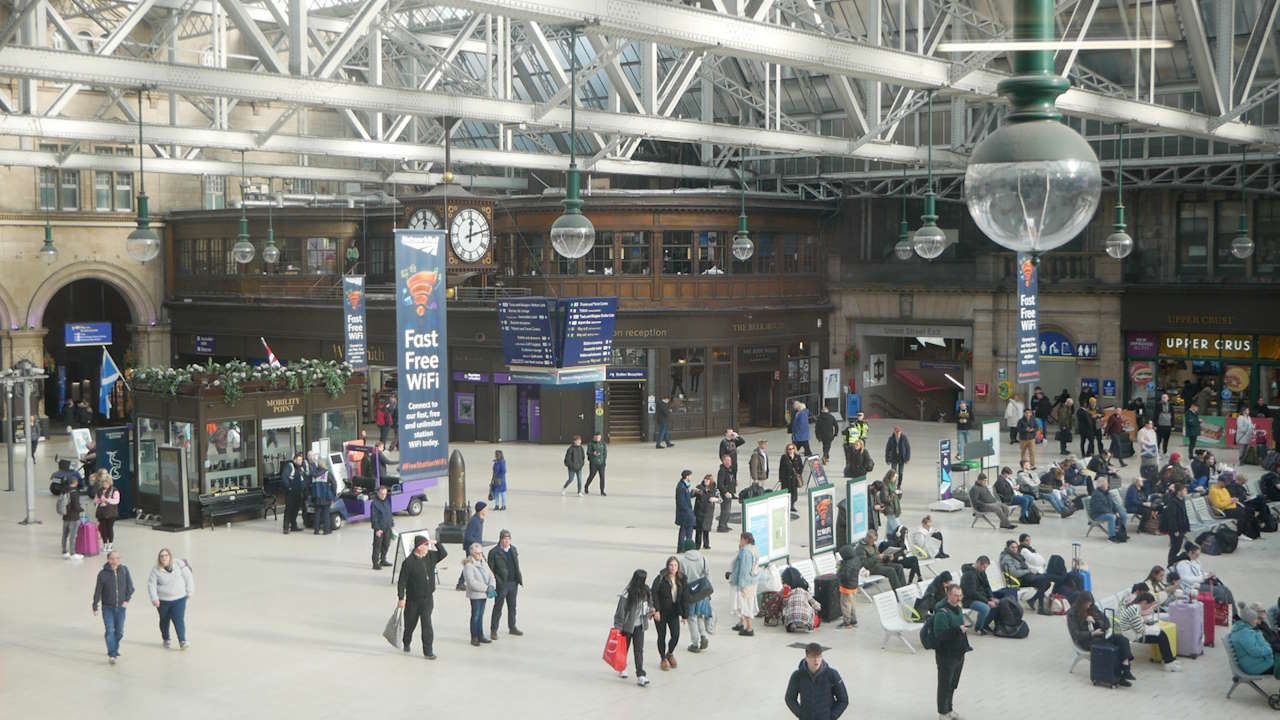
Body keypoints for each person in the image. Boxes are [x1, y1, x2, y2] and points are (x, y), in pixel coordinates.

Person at [1066, 592, 1135, 686]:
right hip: (1086, 640)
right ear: (1081, 603)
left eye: (1090, 604)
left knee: (1123, 640)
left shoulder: (1092, 608)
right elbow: (1076, 635)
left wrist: (1096, 621)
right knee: (1112, 649)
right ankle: (1118, 677)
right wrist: (1091, 631)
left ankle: (1126, 669)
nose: (1088, 606)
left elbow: (1106, 622)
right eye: (1087, 604)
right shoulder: (1072, 613)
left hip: (1101, 635)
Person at [397, 535, 446, 659]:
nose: (427, 547)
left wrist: (437, 543)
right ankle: (406, 641)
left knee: (427, 624)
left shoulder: (430, 556)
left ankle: (428, 651)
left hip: (427, 599)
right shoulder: (408, 562)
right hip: (413, 600)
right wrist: (401, 598)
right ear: (419, 547)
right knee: (410, 624)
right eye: (425, 545)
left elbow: (443, 554)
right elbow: (401, 582)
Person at [933, 584, 972, 720]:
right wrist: (957, 630)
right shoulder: (942, 613)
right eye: (955, 595)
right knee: (945, 683)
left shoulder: (958, 610)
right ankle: (942, 712)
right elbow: (941, 636)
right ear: (948, 595)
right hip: (946, 655)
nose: (958, 598)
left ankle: (949, 709)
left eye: (960, 595)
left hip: (958, 653)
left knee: (953, 683)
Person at [1114, 591, 1180, 671]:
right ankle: (1169, 662)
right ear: (1144, 602)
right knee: (1161, 635)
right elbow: (1140, 629)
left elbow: (1137, 624)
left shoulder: (1134, 607)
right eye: (1149, 605)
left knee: (1161, 633)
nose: (1149, 607)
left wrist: (1146, 625)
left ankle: (1169, 660)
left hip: (1132, 631)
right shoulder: (1134, 610)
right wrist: (1149, 627)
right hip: (1132, 635)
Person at [785, 642, 849, 720]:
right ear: (806, 658)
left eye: (819, 656)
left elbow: (843, 700)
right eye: (812, 656)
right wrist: (801, 715)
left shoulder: (832, 674)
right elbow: (789, 698)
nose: (816, 660)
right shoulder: (797, 675)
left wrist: (831, 716)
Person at [92, 550, 134, 665]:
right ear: (108, 560)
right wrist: (95, 605)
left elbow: (130, 587)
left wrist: (126, 601)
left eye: (118, 558)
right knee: (110, 630)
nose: (116, 561)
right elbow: (98, 591)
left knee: (119, 632)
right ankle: (112, 654)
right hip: (107, 608)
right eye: (113, 558)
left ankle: (114, 647)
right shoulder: (102, 574)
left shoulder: (124, 570)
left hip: (121, 608)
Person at [147, 548, 194, 650]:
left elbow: (188, 577)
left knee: (179, 619)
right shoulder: (155, 570)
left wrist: (190, 591)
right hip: (163, 601)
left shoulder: (179, 564)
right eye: (162, 556)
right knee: (164, 620)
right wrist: (154, 598)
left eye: (166, 555)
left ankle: (182, 641)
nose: (164, 557)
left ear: (170, 556)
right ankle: (166, 638)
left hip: (179, 599)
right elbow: (151, 584)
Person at [613, 569, 655, 686]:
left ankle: (641, 674)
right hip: (627, 626)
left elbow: (650, 603)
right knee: (624, 648)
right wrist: (618, 627)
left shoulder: (646, 591)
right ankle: (622, 667)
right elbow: (620, 612)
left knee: (639, 650)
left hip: (640, 626)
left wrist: (652, 610)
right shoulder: (627, 594)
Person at [650, 556, 687, 670]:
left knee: (675, 635)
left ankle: (669, 653)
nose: (673, 568)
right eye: (671, 565)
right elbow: (654, 593)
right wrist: (656, 610)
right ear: (667, 566)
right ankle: (663, 659)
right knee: (662, 636)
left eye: (675, 565)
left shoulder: (681, 578)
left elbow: (685, 597)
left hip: (674, 612)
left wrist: (685, 615)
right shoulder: (661, 578)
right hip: (661, 612)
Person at [1174, 542, 1235, 609]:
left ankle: (1234, 614)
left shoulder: (1195, 561)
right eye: (1196, 555)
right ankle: (1226, 612)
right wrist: (1203, 578)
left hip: (1201, 584)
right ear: (1190, 552)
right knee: (1220, 591)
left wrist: (1208, 574)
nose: (1197, 557)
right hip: (1192, 588)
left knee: (1226, 589)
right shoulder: (1182, 564)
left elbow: (1200, 573)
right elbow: (1186, 579)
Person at [999, 539, 1052, 614]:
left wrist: (1031, 570)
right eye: (1012, 547)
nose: (1015, 549)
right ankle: (1041, 608)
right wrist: (1028, 571)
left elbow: (1024, 566)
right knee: (1043, 581)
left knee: (1047, 582)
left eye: (1016, 547)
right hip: (1018, 580)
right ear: (1007, 548)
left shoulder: (1015, 555)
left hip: (1025, 576)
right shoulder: (1007, 558)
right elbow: (1014, 573)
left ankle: (1032, 600)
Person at [487, 529, 523, 640]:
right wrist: (495, 582)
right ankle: (494, 630)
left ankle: (512, 626)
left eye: (508, 539)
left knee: (512, 607)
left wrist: (518, 579)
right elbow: (490, 570)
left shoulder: (513, 549)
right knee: (498, 607)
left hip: (513, 583)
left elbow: (516, 565)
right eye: (504, 539)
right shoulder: (494, 552)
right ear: (500, 539)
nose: (507, 541)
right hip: (502, 584)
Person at [960, 556, 1008, 633]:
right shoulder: (968, 575)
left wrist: (991, 597)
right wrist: (987, 601)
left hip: (981, 596)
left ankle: (988, 623)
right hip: (969, 600)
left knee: (1000, 601)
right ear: (978, 563)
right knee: (985, 608)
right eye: (984, 567)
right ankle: (979, 627)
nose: (984, 569)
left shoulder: (981, 571)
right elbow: (972, 593)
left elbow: (987, 586)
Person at [680, 543, 713, 653]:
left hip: (690, 593)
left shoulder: (683, 561)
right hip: (702, 592)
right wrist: (708, 593)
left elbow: (681, 578)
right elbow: (708, 575)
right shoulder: (703, 559)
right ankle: (703, 636)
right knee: (700, 616)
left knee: (691, 618)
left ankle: (695, 643)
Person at [462, 542, 496, 647]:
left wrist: (492, 586)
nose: (479, 555)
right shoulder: (469, 566)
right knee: (475, 615)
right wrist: (487, 588)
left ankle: (480, 635)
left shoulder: (483, 562)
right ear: (472, 553)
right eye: (477, 553)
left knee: (481, 615)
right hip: (476, 595)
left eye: (481, 553)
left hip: (484, 594)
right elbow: (472, 583)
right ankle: (474, 637)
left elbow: (491, 575)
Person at [1209, 475, 1261, 539]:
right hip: (1222, 511)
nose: (1226, 484)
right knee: (1242, 513)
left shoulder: (1224, 489)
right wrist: (1231, 501)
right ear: (1219, 482)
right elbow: (1218, 505)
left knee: (1249, 510)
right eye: (1225, 482)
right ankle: (1240, 533)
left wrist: (1233, 500)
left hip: (1231, 507)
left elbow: (1228, 499)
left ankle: (1251, 532)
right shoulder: (1213, 491)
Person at [1231, 603, 1276, 676]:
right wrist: (1269, 649)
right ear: (1250, 620)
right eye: (1256, 619)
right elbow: (1255, 651)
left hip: (1255, 662)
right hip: (1256, 666)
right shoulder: (1244, 633)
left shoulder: (1245, 630)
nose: (1257, 621)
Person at [729, 532, 760, 636]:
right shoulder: (753, 549)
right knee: (745, 602)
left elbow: (744, 570)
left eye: (741, 539)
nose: (740, 541)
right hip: (752, 581)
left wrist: (741, 584)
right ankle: (741, 622)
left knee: (745, 604)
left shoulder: (746, 552)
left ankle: (749, 628)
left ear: (745, 540)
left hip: (746, 583)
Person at [455, 502, 487, 590]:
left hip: (476, 547)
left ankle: (462, 582)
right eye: (485, 509)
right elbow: (468, 536)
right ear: (481, 510)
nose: (487, 510)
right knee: (470, 564)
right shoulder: (474, 521)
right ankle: (461, 583)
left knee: (472, 564)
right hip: (472, 548)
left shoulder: (479, 519)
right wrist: (477, 546)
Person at [1087, 477, 1127, 542]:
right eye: (1106, 484)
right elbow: (1099, 508)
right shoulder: (1096, 494)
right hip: (1097, 515)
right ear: (1101, 485)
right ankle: (1112, 537)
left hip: (1107, 512)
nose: (1108, 485)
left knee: (1123, 515)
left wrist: (1116, 511)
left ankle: (1121, 533)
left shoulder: (1106, 493)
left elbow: (1113, 504)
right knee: (1112, 517)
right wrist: (1112, 513)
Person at [91, 470, 120, 552]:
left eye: (106, 483)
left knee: (109, 528)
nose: (104, 484)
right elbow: (95, 500)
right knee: (103, 528)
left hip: (111, 513)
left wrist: (107, 500)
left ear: (109, 482)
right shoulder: (99, 491)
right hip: (102, 512)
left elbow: (116, 501)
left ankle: (110, 544)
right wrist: (99, 500)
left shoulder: (114, 490)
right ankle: (105, 544)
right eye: (103, 483)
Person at [690, 473, 719, 550]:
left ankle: (706, 544)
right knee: (699, 530)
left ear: (711, 481)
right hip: (699, 511)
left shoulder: (715, 490)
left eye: (707, 480)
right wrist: (693, 491)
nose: (705, 481)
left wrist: (715, 499)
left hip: (708, 513)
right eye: (705, 479)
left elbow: (720, 499)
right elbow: (691, 495)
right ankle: (697, 545)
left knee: (706, 529)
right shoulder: (699, 487)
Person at [59, 475, 85, 559]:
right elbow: (76, 506)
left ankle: (64, 551)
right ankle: (73, 553)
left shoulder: (64, 491)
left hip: (65, 516)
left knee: (64, 535)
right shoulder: (74, 493)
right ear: (75, 483)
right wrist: (82, 509)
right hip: (74, 517)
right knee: (73, 536)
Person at [836, 544, 860, 628]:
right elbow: (848, 564)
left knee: (845, 605)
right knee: (852, 603)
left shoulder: (847, 565)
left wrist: (839, 570)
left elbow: (844, 575)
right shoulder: (856, 560)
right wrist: (843, 563)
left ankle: (847, 622)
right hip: (854, 586)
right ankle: (853, 620)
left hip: (846, 587)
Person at [309, 456, 335, 535]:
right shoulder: (327, 473)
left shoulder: (313, 474)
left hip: (316, 497)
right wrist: (333, 494)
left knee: (317, 513)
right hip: (326, 496)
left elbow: (308, 485)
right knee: (326, 513)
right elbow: (334, 484)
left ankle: (316, 530)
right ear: (324, 465)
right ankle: (326, 530)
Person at [370, 485, 393, 570]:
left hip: (388, 527)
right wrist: (377, 529)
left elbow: (389, 513)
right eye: (382, 494)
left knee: (386, 544)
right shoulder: (375, 503)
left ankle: (383, 560)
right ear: (378, 493)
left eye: (385, 494)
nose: (384, 496)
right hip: (379, 529)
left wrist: (391, 523)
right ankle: (375, 563)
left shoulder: (387, 501)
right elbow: (373, 517)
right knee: (377, 546)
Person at [282, 452, 306, 534]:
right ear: (294, 460)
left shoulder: (301, 468)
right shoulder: (290, 466)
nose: (300, 461)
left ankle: (293, 526)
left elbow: (303, 478)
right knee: (289, 510)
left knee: (295, 510)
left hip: (298, 493)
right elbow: (284, 477)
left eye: (301, 460)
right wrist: (289, 487)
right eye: (299, 460)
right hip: (290, 493)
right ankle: (286, 528)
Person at [780, 443, 804, 514]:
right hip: (786, 479)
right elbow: (781, 468)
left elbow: (801, 466)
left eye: (792, 448)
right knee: (786, 492)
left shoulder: (797, 457)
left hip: (794, 479)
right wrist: (781, 478)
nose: (791, 450)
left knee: (794, 493)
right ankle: (786, 506)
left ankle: (792, 505)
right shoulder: (784, 457)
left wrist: (799, 473)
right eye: (789, 449)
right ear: (787, 450)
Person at [715, 456, 737, 533]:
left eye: (729, 460)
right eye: (727, 460)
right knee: (725, 510)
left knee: (728, 511)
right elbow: (720, 484)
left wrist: (734, 483)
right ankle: (721, 526)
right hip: (724, 494)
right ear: (723, 461)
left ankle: (725, 524)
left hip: (729, 493)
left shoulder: (729, 470)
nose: (728, 462)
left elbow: (730, 480)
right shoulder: (722, 471)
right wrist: (725, 492)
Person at [676, 470, 696, 549]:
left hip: (686, 512)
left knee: (684, 530)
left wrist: (692, 494)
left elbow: (685, 497)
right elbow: (681, 501)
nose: (691, 477)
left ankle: (683, 547)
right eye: (690, 476)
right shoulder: (681, 487)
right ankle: (684, 547)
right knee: (686, 531)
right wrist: (688, 512)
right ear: (687, 476)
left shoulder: (684, 486)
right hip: (685, 513)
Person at [585, 432, 608, 496]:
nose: (598, 438)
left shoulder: (603, 443)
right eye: (596, 437)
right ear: (594, 437)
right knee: (591, 476)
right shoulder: (590, 444)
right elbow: (588, 452)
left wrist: (604, 461)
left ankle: (602, 491)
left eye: (599, 437)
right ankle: (586, 486)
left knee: (602, 477)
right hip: (593, 463)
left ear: (600, 437)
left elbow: (605, 453)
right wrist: (593, 453)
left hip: (601, 463)